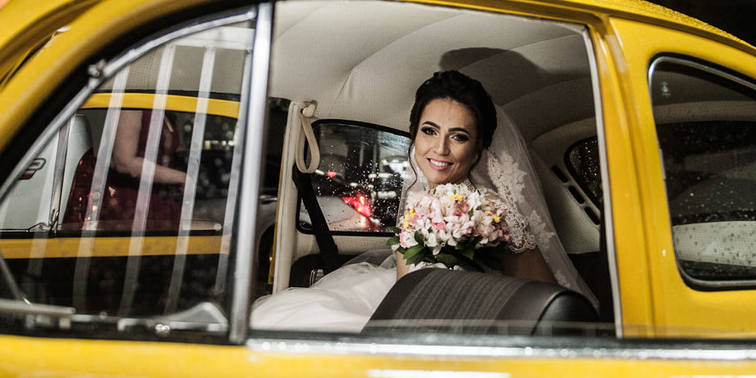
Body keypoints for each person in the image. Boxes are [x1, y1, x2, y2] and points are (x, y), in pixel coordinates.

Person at [250, 71, 599, 332]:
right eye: (429, 131)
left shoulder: (491, 213)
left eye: (458, 137)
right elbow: (405, 287)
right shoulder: (418, 200)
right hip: (408, 314)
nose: (440, 149)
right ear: (414, 135)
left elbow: (543, 300)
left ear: (478, 150)